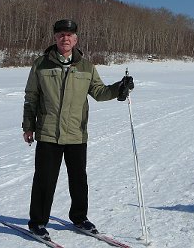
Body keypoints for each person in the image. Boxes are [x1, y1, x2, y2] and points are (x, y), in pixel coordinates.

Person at [22, 19, 134, 239]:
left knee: (78, 179)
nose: (65, 38)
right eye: (61, 34)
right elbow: (31, 97)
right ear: (55, 38)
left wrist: (119, 88)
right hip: (48, 132)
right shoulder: (41, 64)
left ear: (76, 39)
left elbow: (99, 92)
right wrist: (28, 126)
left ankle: (80, 218)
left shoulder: (87, 66)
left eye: (69, 35)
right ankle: (37, 222)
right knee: (45, 179)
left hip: (76, 133)